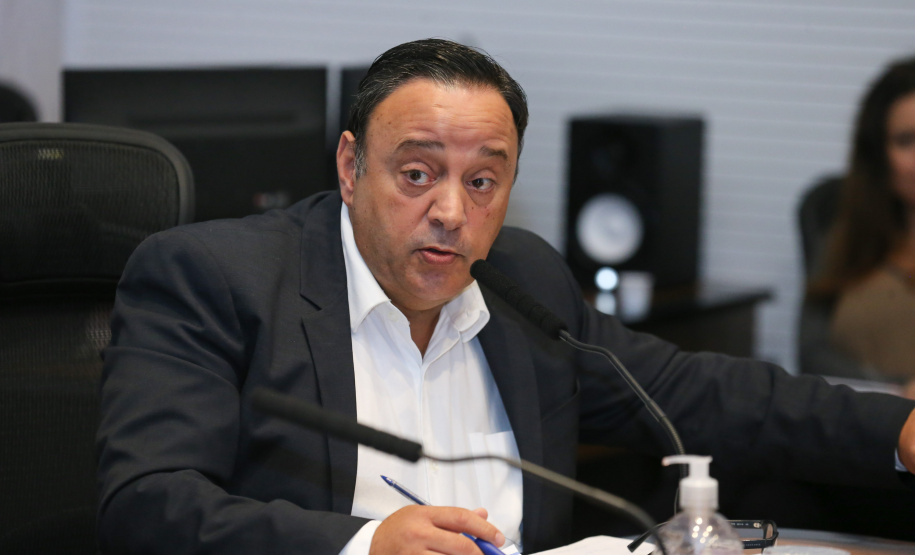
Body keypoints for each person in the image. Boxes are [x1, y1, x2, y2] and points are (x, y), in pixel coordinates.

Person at [97, 38, 915, 555]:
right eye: (416, 173)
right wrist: (362, 543)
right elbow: (149, 502)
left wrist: (899, 429)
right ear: (350, 169)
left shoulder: (521, 281)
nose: (451, 211)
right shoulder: (213, 278)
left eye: (482, 180)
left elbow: (697, 392)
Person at [808, 56, 915, 399]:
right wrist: (892, 392)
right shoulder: (843, 230)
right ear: (878, 153)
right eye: (907, 140)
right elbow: (811, 351)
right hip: (859, 426)